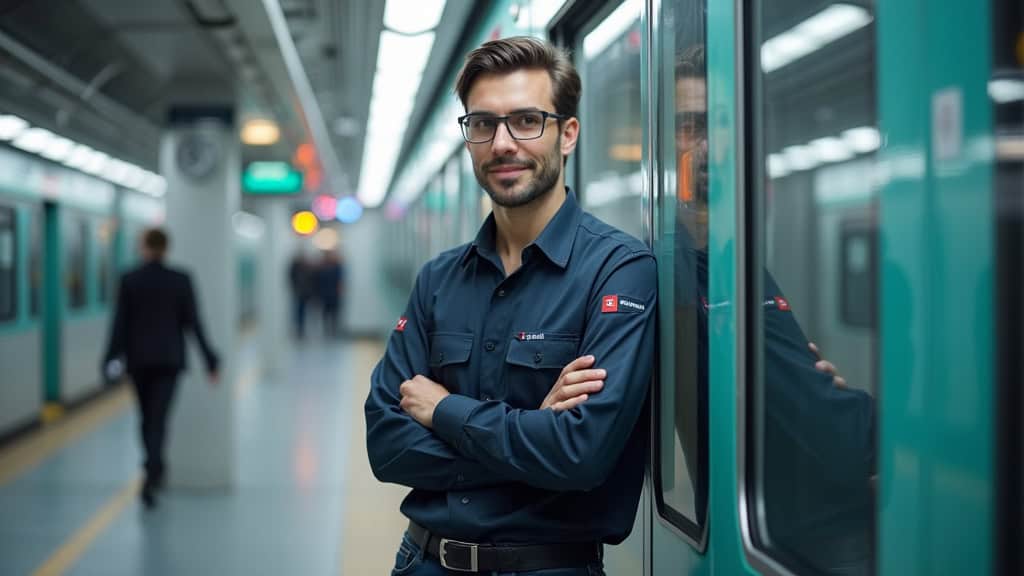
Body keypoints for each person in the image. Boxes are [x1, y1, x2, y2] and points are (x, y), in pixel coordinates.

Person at [365, 36, 656, 575]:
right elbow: (386, 445)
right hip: (422, 562)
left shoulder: (618, 271)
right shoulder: (437, 280)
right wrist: (529, 436)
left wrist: (445, 411)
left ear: (567, 134)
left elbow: (580, 455)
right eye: (482, 124)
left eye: (526, 120)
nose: (502, 143)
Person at [672, 44, 876, 574]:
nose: (708, 144)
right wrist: (900, 433)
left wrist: (802, 382)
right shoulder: (683, 269)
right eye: (689, 125)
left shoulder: (730, 258)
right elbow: (834, 436)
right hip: (810, 537)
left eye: (719, 123)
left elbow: (788, 389)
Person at [103, 227, 219, 509]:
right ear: (166, 248)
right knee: (160, 417)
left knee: (145, 417)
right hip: (169, 361)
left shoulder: (130, 280)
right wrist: (210, 359)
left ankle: (152, 466)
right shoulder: (181, 280)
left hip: (139, 361)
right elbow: (194, 323)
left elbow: (120, 325)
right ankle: (154, 468)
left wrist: (109, 359)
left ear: (144, 247)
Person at [316, 250, 345, 338]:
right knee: (325, 313)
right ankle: (327, 331)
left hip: (334, 294)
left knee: (335, 313)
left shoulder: (337, 267)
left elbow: (340, 280)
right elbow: (318, 281)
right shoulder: (322, 267)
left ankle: (334, 330)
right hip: (325, 294)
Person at [288, 251, 315, 340]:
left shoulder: (308, 267)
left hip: (306, 293)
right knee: (298, 312)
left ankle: (302, 329)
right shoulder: (295, 267)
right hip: (299, 293)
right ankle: (299, 329)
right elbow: (291, 278)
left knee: (304, 312)